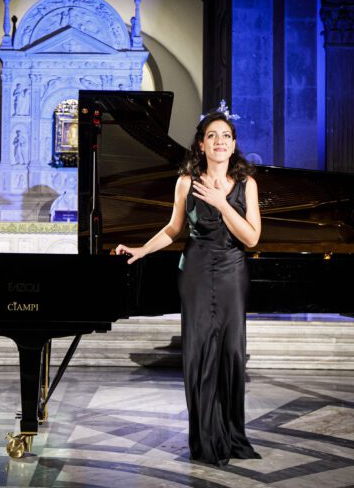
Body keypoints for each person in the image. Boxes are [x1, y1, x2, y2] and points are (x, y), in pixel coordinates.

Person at [116, 112, 262, 466]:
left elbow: (252, 238)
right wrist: (141, 249)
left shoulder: (247, 185)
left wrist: (221, 203)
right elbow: (172, 229)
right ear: (201, 144)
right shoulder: (185, 182)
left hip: (231, 272)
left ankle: (231, 435)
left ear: (234, 143)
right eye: (212, 136)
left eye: (226, 135)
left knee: (231, 353)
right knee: (199, 354)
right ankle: (205, 440)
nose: (220, 141)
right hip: (196, 270)